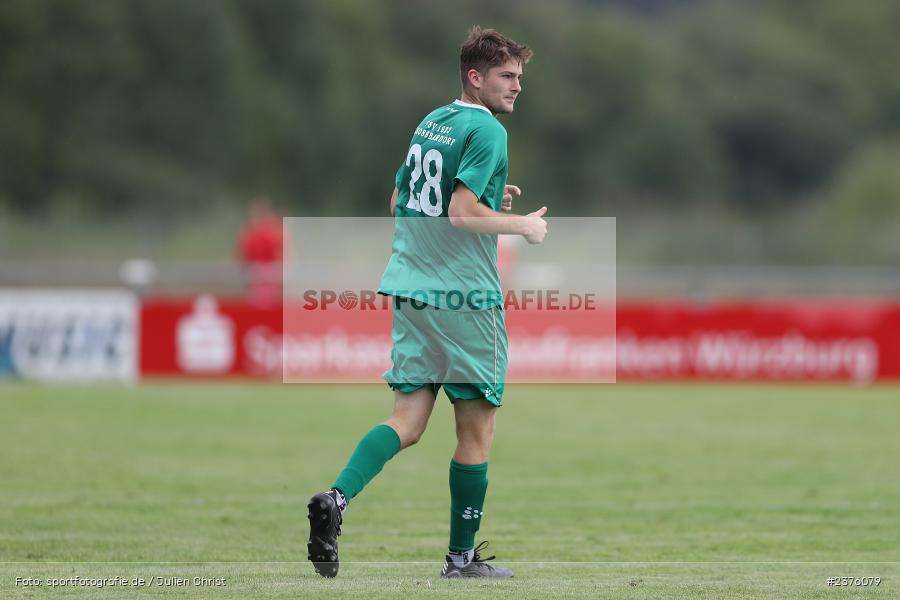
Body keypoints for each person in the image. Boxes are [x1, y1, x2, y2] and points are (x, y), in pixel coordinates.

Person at [307, 26, 547, 579]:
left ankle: (335, 499)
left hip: (410, 289)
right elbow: (461, 214)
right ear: (475, 77)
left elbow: (402, 198)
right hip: (464, 297)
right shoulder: (488, 130)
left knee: (407, 421)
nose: (517, 86)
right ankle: (460, 559)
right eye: (507, 76)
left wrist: (490, 198)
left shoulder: (433, 121)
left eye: (519, 77)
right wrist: (521, 226)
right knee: (476, 433)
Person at [235, 197, 283, 307]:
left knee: (266, 303)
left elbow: (279, 252)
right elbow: (242, 252)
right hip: (257, 272)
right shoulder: (250, 230)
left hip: (267, 272)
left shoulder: (272, 230)